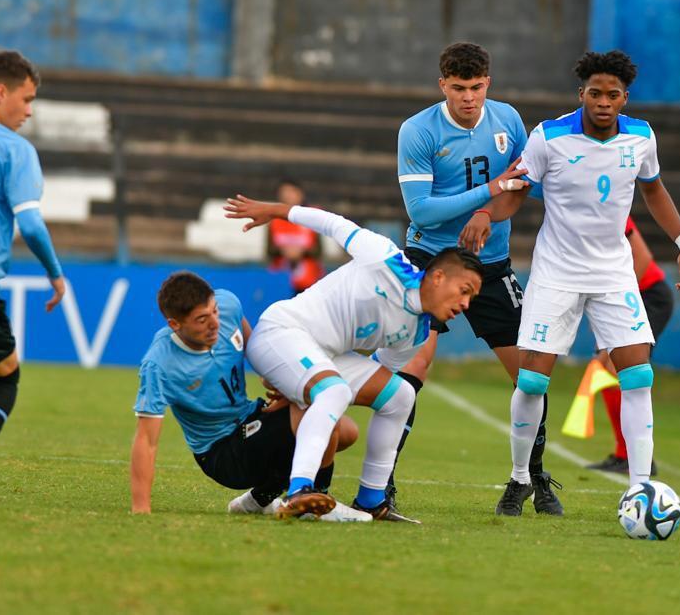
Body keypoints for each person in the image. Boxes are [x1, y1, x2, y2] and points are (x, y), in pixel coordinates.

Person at [460, 50, 680, 516]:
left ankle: (640, 488)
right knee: (530, 381)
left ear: (625, 98)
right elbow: (517, 189)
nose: (604, 102)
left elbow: (653, 190)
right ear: (581, 95)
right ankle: (519, 478)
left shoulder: (641, 136)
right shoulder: (548, 137)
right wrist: (488, 212)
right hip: (557, 272)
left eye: (613, 95)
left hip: (613, 272)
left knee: (638, 374)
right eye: (595, 93)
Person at [225, 195, 486, 523]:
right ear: (437, 277)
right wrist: (275, 211)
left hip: (320, 356)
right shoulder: (384, 257)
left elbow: (378, 374)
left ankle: (371, 500)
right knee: (334, 391)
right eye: (465, 290)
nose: (466, 304)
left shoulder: (416, 332)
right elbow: (332, 223)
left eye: (472, 298)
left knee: (400, 395)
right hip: (281, 331)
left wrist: (304, 386)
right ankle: (301, 490)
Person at [394, 42, 565, 514]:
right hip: (432, 260)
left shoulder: (508, 120)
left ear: (488, 82)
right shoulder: (418, 131)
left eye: (476, 87)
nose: (468, 97)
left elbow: (523, 187)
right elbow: (421, 212)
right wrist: (488, 191)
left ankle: (531, 477)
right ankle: (382, 483)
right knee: (413, 369)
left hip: (492, 266)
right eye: (458, 88)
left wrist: (490, 211)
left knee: (531, 375)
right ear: (442, 86)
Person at [129, 271, 370, 521]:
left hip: (251, 417)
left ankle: (259, 499)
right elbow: (146, 440)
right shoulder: (159, 365)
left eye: (214, 311)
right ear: (175, 325)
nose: (214, 323)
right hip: (221, 452)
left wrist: (282, 387)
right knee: (311, 409)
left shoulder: (229, 306)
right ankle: (316, 502)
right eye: (202, 319)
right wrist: (141, 509)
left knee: (345, 430)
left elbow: (261, 351)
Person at [0, 50, 66, 493]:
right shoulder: (14, 149)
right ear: (0, 92)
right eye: (25, 99)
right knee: (4, 374)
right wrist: (55, 274)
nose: (29, 110)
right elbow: (32, 224)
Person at [588, 216, 675, 474]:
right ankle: (623, 453)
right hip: (619, 298)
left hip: (646, 295)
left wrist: (620, 302)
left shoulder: (612, 209)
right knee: (605, 371)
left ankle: (635, 458)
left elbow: (643, 258)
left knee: (620, 373)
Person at [269, 179, 324, 295]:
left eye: (291, 192)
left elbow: (318, 251)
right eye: (284, 193)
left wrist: (301, 252)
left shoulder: (313, 216)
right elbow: (269, 250)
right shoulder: (274, 220)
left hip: (309, 282)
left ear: (300, 194)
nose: (287, 196)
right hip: (280, 281)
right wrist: (283, 251)